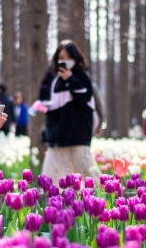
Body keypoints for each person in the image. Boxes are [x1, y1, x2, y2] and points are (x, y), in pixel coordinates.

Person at [38, 40, 100, 181]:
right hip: (56, 138)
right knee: (50, 178)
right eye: (60, 58)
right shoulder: (53, 79)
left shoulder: (82, 77)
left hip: (77, 136)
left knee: (87, 176)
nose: (64, 61)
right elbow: (47, 102)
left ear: (75, 58)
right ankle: (54, 202)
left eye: (67, 58)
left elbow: (84, 98)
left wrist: (70, 79)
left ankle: (99, 201)